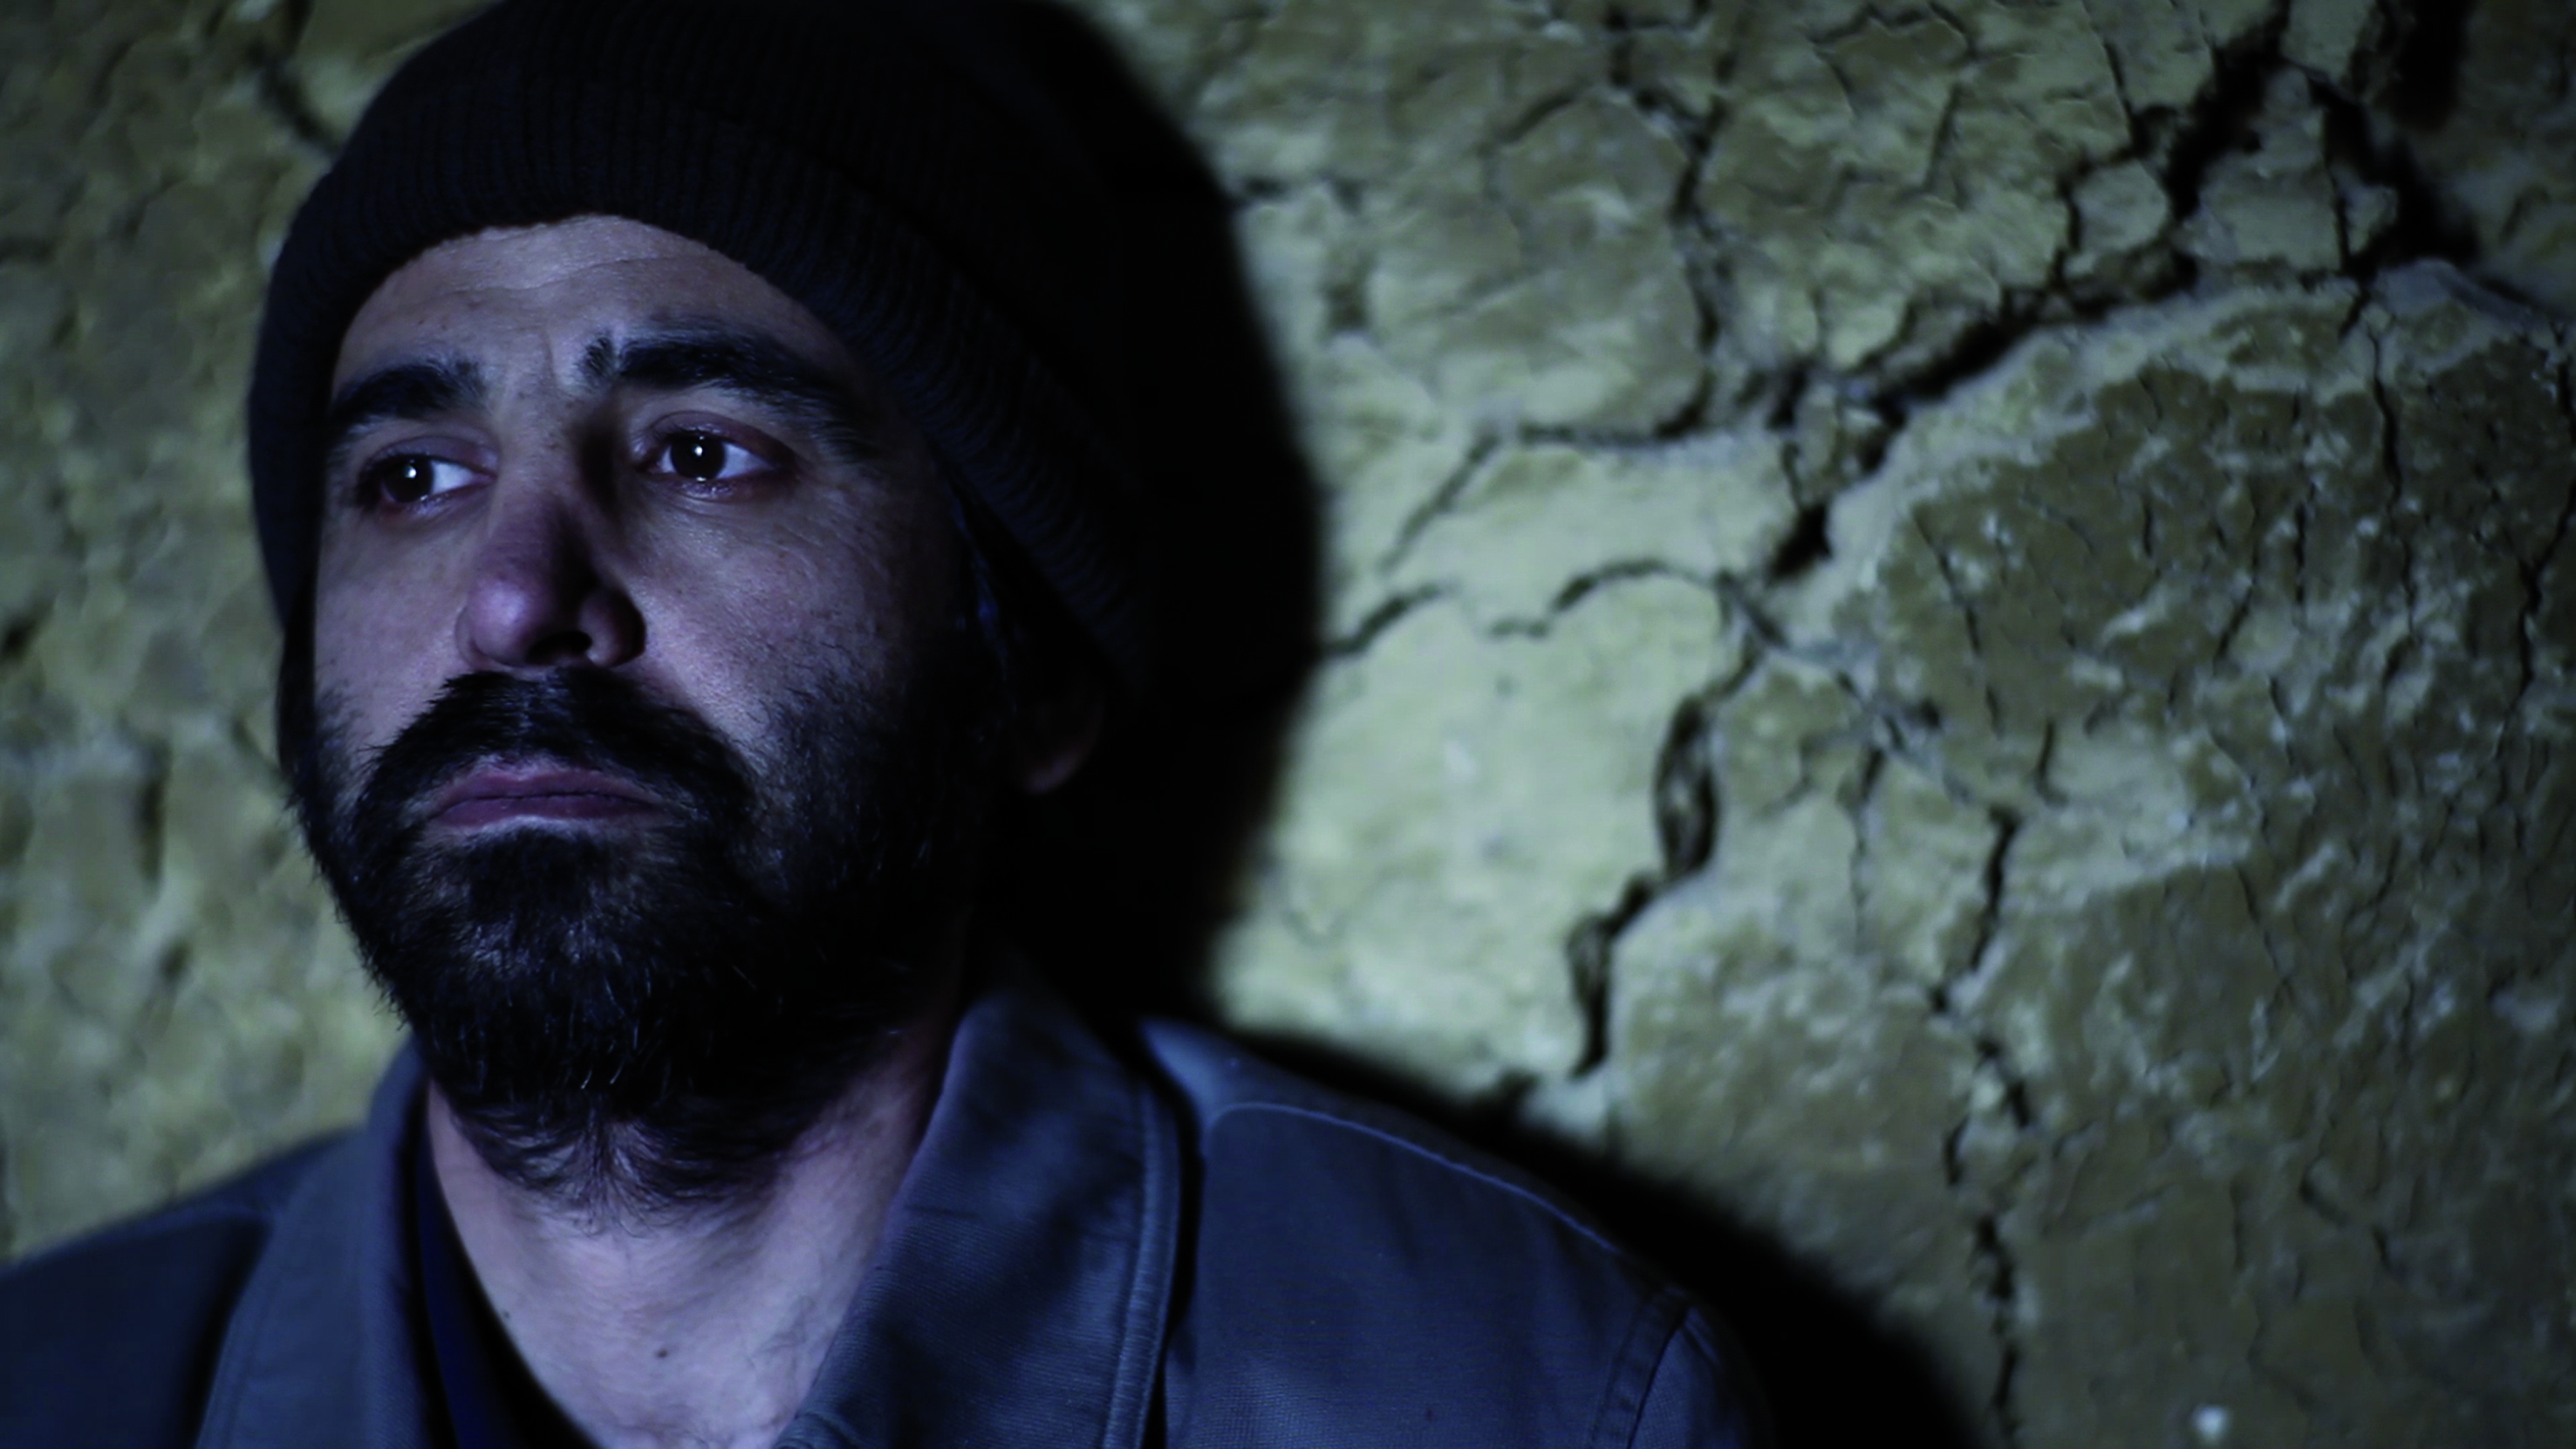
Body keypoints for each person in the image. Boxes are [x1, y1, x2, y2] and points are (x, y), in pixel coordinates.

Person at [0, 2, 1764, 1445]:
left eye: (703, 452)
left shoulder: (1533, 1404)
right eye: (413, 476)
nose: (515, 601)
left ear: (1029, 667)